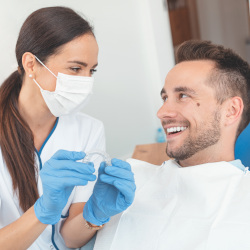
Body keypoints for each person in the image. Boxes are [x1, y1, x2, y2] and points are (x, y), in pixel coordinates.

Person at [0, 6, 135, 250]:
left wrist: (94, 214)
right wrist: (41, 212)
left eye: (91, 70)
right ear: (31, 64)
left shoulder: (89, 129)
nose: (86, 81)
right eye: (75, 68)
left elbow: (71, 239)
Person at [93, 40, 250, 250]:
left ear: (231, 110)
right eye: (165, 97)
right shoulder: (132, 180)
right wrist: (93, 217)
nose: (162, 113)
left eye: (183, 96)